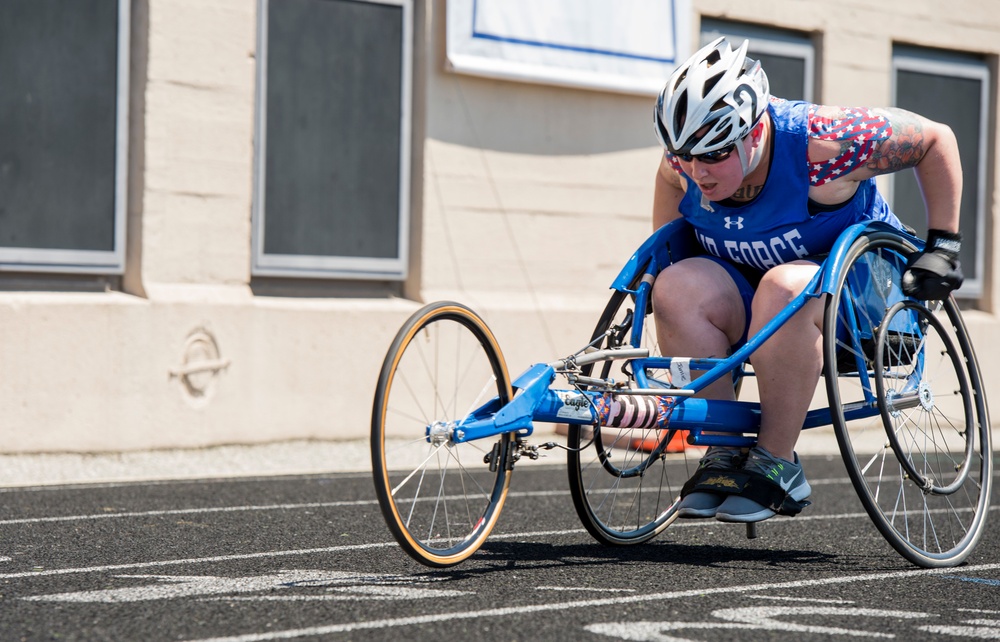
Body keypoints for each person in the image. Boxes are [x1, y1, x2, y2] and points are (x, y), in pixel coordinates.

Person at [651, 37, 964, 523]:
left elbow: (935, 139)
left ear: (753, 133)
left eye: (711, 156)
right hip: (758, 294)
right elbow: (671, 182)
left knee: (785, 288)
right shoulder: (686, 163)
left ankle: (776, 462)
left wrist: (943, 245)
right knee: (675, 287)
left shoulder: (824, 142)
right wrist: (668, 263)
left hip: (862, 298)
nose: (696, 172)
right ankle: (724, 453)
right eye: (684, 155)